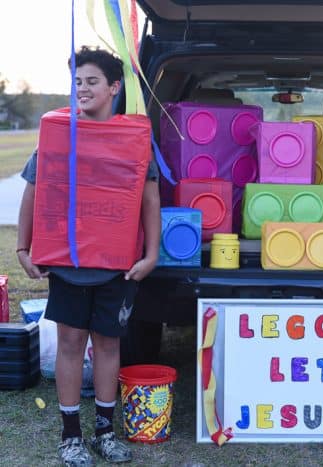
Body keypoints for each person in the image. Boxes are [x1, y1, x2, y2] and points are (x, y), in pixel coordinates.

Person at [16, 46, 161, 466]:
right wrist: (24, 247)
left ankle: (103, 431)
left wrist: (151, 254)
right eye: (76, 81)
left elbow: (150, 201)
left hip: (115, 267)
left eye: (91, 81)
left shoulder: (132, 140)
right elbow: (34, 191)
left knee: (108, 345)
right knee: (70, 344)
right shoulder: (57, 136)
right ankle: (70, 436)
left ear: (114, 87)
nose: (82, 88)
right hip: (68, 265)